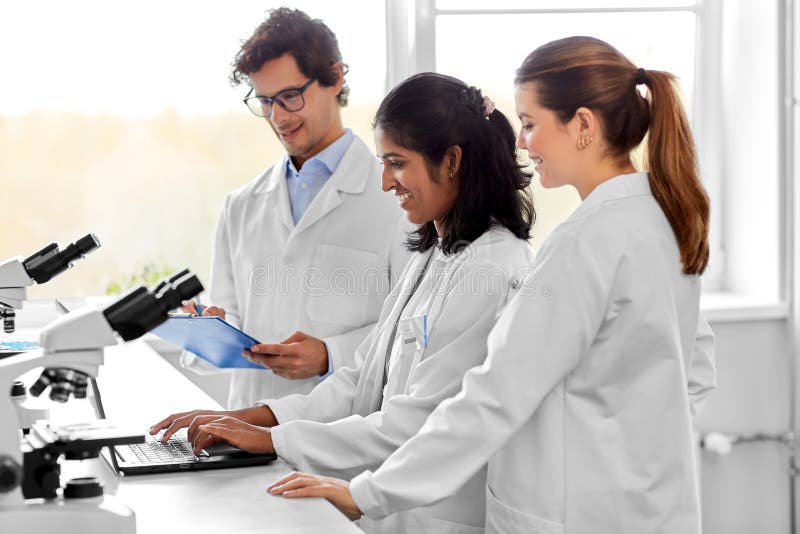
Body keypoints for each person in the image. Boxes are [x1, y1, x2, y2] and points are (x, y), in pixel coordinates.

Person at [267, 36, 717, 534]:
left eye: (530, 124)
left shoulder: (583, 243)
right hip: (648, 511)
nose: (521, 143)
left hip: (573, 517)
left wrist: (365, 495)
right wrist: (621, 454)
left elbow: (494, 397)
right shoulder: (665, 220)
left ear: (583, 125)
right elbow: (693, 374)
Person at [152, 72, 536, 533]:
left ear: (452, 161)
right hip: (394, 509)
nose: (385, 182)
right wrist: (244, 420)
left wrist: (274, 440)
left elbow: (414, 422)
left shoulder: (490, 268)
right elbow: (361, 382)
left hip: (439, 515)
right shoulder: (435, 251)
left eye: (396, 163)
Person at [183, 8, 410, 409]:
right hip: (246, 431)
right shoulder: (240, 206)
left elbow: (414, 329)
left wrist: (330, 354)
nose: (278, 117)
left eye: (290, 97)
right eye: (265, 101)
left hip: (341, 442)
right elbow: (233, 314)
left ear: (335, 78)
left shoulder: (397, 201)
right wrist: (212, 329)